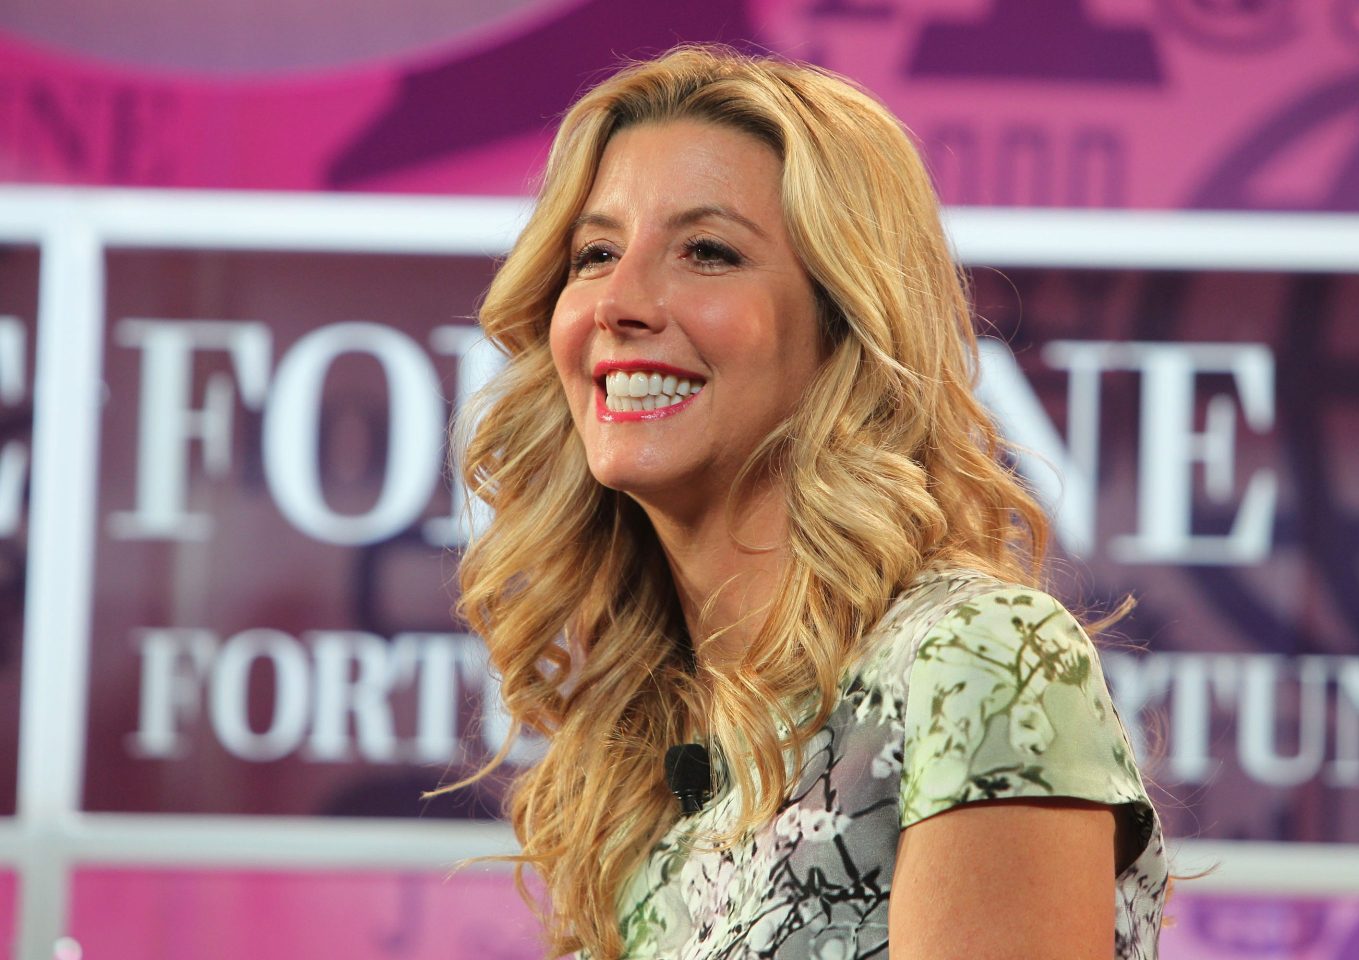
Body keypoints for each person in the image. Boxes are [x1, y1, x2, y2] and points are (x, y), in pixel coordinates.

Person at [453, 44, 1168, 960]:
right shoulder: (641, 746)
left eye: (707, 252)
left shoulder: (976, 659)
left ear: (847, 325)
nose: (618, 302)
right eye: (595, 254)